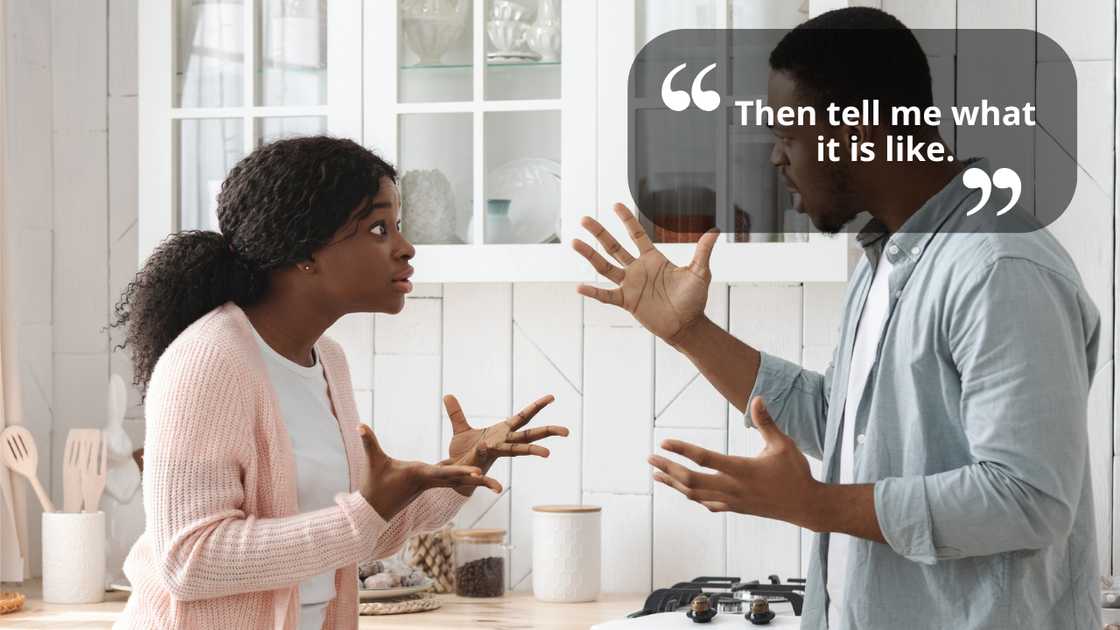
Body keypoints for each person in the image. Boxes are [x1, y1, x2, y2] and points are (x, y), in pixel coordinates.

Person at [573, 7, 1100, 629]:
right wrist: (691, 333)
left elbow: (1028, 498)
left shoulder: (997, 265)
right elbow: (838, 422)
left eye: (788, 133)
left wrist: (814, 504)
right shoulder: (884, 259)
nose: (775, 158)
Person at [110, 136, 568, 629]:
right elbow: (190, 560)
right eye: (378, 228)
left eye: (398, 227)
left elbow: (355, 535)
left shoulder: (327, 360)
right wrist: (365, 510)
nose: (406, 248)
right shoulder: (209, 361)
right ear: (305, 249)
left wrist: (456, 472)